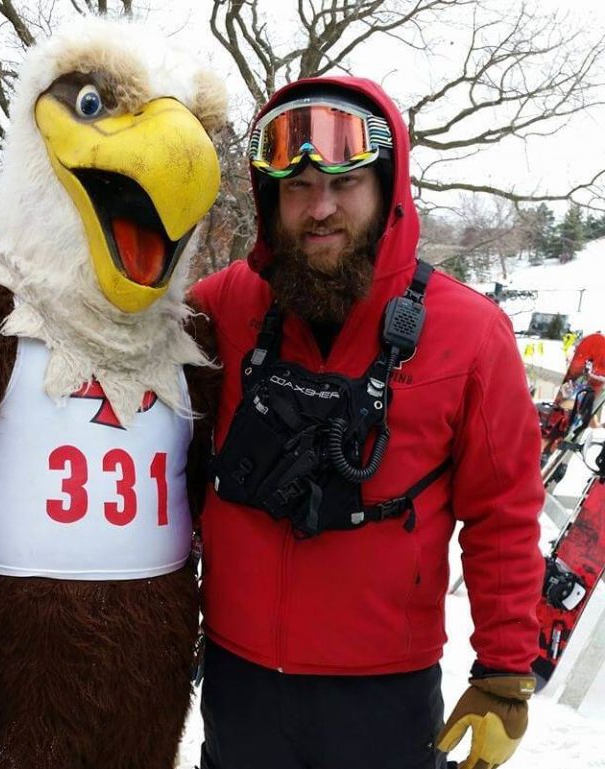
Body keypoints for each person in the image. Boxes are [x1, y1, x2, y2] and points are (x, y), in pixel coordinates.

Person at [189, 76, 544, 769]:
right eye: (297, 188)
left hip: (385, 696)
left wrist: (504, 670)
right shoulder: (222, 308)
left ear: (387, 185)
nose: (319, 208)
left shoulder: (472, 334)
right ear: (270, 199)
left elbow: (503, 509)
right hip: (241, 683)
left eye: (344, 182)